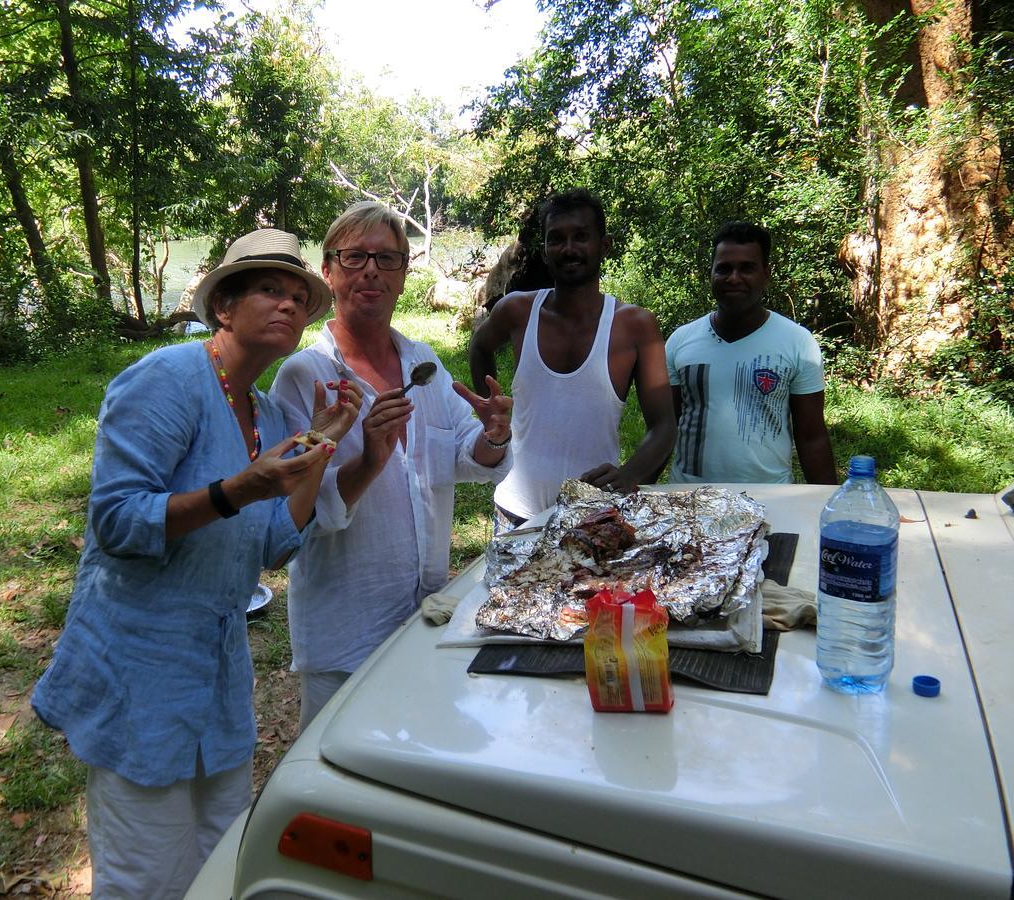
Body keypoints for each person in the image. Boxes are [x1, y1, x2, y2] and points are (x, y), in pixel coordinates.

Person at [31, 228, 362, 899]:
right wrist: (235, 489)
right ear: (224, 308)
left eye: (299, 296)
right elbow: (118, 521)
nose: (289, 305)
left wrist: (321, 447)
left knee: (222, 863)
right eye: (271, 289)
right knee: (145, 878)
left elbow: (272, 542)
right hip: (141, 675)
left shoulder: (267, 415)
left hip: (217, 678)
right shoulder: (166, 381)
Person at [270, 201, 513, 731]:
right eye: (355, 257)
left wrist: (493, 435)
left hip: (426, 611)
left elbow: (466, 454)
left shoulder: (420, 362)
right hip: (345, 624)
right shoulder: (305, 376)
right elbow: (296, 512)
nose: (371, 271)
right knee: (337, 763)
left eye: (387, 259)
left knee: (418, 744)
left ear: (404, 276)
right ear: (328, 272)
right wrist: (371, 458)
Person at [468, 188, 677, 531]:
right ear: (545, 251)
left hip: (591, 517)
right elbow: (480, 346)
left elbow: (664, 426)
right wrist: (490, 407)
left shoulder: (634, 326)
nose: (569, 249)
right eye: (557, 239)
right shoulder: (518, 310)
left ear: (604, 245)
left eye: (581, 237)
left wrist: (630, 475)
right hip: (515, 511)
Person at [665, 221, 837, 485]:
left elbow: (811, 437)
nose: (734, 278)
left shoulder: (797, 343)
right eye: (724, 269)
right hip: (689, 499)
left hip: (770, 499)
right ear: (710, 274)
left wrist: (827, 505)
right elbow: (663, 429)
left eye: (747, 268)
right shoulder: (681, 341)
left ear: (766, 274)